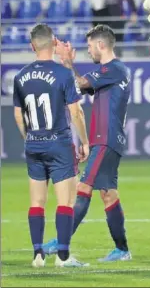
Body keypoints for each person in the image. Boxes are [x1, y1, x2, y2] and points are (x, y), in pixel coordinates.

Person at [42, 25, 133, 262]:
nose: (89, 51)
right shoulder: (112, 72)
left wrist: (67, 62)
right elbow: (78, 87)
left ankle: (61, 241)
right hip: (108, 140)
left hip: (106, 140)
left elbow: (79, 83)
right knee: (109, 195)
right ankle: (122, 250)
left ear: (101, 45)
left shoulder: (114, 68)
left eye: (91, 46)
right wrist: (66, 64)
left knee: (83, 189)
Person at [13, 24, 89, 268]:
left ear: (32, 45)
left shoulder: (20, 76)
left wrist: (29, 138)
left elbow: (17, 115)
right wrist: (85, 141)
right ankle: (63, 257)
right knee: (65, 202)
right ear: (54, 43)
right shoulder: (63, 74)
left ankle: (37, 254)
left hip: (34, 144)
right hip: (59, 143)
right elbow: (76, 112)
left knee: (37, 203)